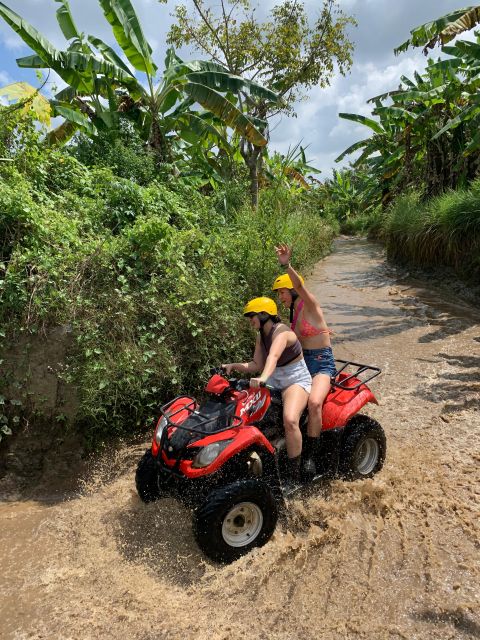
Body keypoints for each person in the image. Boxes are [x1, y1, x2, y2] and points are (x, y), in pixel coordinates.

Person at [223, 296, 312, 485]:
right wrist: (234, 365)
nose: (250, 321)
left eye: (251, 316)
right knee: (245, 413)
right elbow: (257, 364)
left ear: (264, 315)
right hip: (272, 378)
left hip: (294, 380)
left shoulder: (282, 333)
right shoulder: (260, 335)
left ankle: (293, 474)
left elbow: (274, 356)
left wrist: (263, 378)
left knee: (290, 420)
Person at [272, 243, 336, 477]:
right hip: (301, 365)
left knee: (315, 404)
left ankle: (309, 457)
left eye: (282, 292)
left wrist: (286, 264)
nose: (280, 297)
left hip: (321, 363)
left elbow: (299, 283)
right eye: (278, 294)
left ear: (293, 291)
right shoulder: (292, 314)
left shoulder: (310, 305)